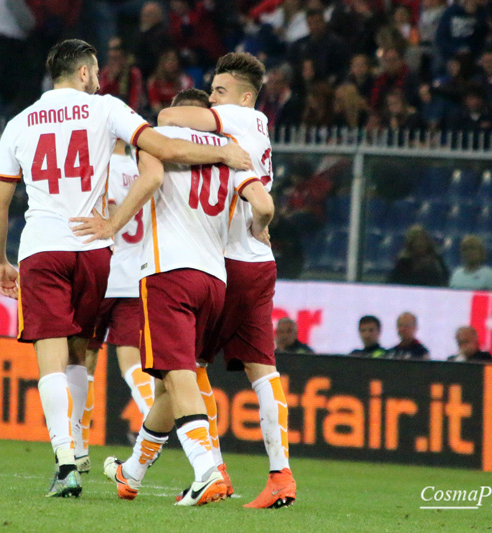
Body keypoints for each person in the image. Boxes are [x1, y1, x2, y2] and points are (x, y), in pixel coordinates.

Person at [0, 39, 250, 499]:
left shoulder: (18, 123)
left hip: (42, 247)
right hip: (94, 250)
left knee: (53, 356)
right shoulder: (105, 109)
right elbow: (163, 147)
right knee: (80, 350)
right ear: (85, 73)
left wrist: (0, 263)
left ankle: (67, 458)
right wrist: (223, 154)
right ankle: (85, 449)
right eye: (97, 72)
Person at [72, 124, 272, 506]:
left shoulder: (155, 149)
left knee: (165, 374)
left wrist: (112, 225)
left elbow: (153, 174)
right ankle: (132, 472)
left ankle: (207, 469)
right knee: (166, 381)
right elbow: (263, 205)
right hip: (215, 278)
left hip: (163, 272)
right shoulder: (232, 151)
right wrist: (258, 229)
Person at [157, 52, 297, 508]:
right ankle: (281, 476)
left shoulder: (229, 117)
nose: (211, 97)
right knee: (264, 371)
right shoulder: (258, 125)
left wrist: (258, 222)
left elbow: (167, 114)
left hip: (230, 261)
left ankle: (211, 472)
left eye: (218, 89)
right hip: (262, 264)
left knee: (189, 366)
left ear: (243, 95)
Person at [75, 139, 156, 472]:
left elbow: (96, 213)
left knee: (84, 359)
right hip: (135, 276)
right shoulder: (145, 169)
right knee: (132, 364)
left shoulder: (98, 167)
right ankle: (154, 434)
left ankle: (79, 450)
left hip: (101, 271)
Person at [98, 37, 144, 112]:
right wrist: (111, 80)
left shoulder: (133, 72)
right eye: (110, 49)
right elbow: (100, 97)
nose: (112, 54)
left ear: (123, 52)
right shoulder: (104, 72)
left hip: (128, 115)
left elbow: (135, 100)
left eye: (116, 49)